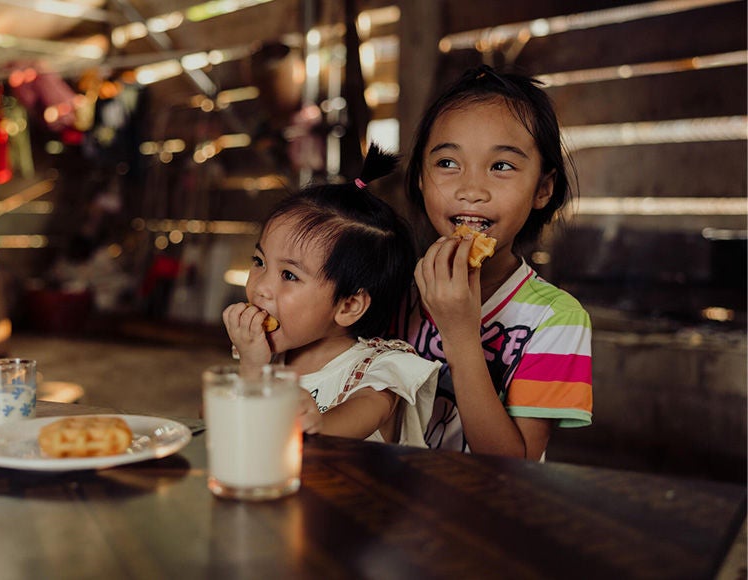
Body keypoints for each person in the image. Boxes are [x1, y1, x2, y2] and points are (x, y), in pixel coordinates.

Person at [394, 65, 593, 460]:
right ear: (420, 176)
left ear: (542, 188)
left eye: (501, 166)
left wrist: (459, 334)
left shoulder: (556, 319)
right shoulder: (389, 288)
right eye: (448, 163)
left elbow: (514, 466)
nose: (470, 190)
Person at [223, 144, 441, 447]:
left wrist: (313, 421)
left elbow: (340, 428)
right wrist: (251, 367)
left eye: (289, 275)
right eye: (259, 262)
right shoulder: (269, 357)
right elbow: (221, 427)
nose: (260, 287)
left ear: (348, 305)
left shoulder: (379, 372)